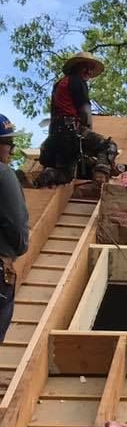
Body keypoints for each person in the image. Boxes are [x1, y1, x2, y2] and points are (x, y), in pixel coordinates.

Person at [37, 51, 117, 187]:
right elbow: (85, 111)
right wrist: (87, 131)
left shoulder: (59, 84)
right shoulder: (77, 81)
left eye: (91, 69)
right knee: (109, 146)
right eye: (85, 67)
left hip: (56, 133)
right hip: (71, 129)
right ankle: (100, 179)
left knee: (66, 175)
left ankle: (50, 174)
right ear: (76, 67)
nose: (88, 71)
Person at [0, 115, 31, 341]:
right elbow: (17, 227)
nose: (12, 150)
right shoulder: (3, 174)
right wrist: (21, 247)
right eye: (9, 143)